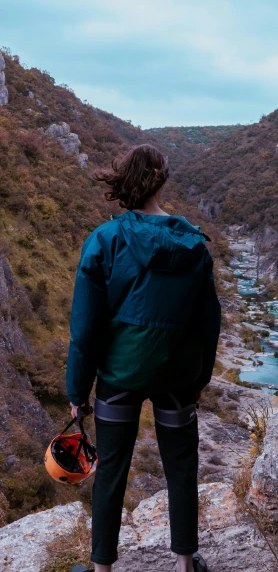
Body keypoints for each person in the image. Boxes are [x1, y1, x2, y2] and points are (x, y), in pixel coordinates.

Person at [65, 144, 221, 572]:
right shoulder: (192, 242)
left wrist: (77, 390)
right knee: (181, 465)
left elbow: (86, 330)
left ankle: (102, 569)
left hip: (120, 375)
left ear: (123, 182)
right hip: (177, 377)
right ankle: (185, 565)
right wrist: (199, 380)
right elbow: (210, 322)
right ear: (162, 181)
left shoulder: (105, 240)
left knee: (112, 469)